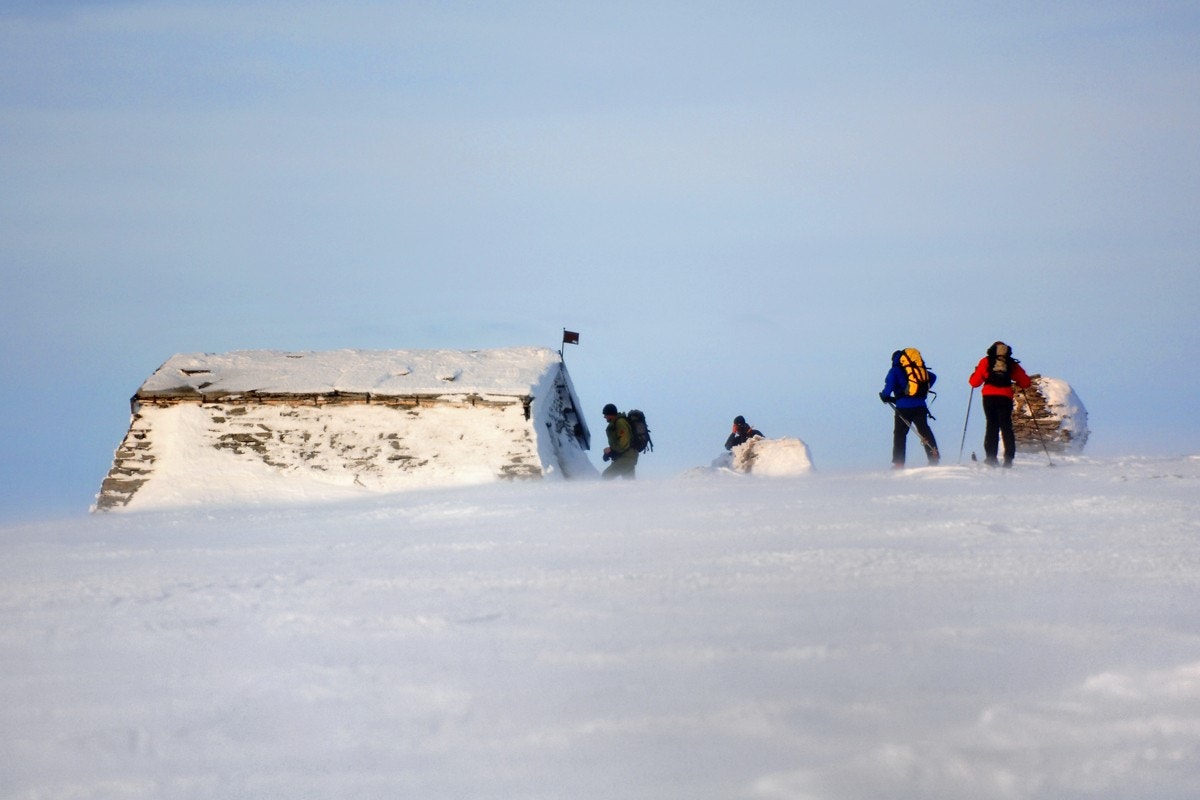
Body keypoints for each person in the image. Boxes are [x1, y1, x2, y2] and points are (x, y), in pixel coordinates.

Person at [968, 341, 1032, 468]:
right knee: (1006, 426)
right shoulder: (1010, 363)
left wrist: (973, 374)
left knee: (991, 425)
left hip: (989, 397)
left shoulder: (986, 361)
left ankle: (991, 458)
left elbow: (974, 383)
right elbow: (1025, 382)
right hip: (1005, 397)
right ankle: (1008, 458)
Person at [880, 349, 940, 468]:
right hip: (920, 406)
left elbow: (888, 388)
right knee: (924, 430)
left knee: (900, 434)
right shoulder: (918, 369)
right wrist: (923, 390)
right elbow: (932, 377)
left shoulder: (895, 371)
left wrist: (884, 396)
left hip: (903, 408)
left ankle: (899, 463)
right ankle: (934, 456)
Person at [601, 403, 638, 479]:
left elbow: (623, 442)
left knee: (606, 476)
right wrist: (611, 452)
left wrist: (611, 450)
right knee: (629, 484)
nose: (604, 417)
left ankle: (604, 491)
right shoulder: (616, 423)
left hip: (627, 458)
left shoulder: (620, 422)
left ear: (611, 414)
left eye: (606, 414)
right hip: (627, 458)